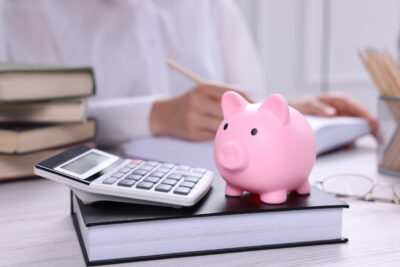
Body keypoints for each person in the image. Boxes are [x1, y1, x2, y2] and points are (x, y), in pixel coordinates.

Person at [1, 0, 376, 146]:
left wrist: (294, 115)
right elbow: (41, 124)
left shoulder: (209, 5)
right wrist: (160, 115)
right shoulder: (29, 11)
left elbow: (244, 102)